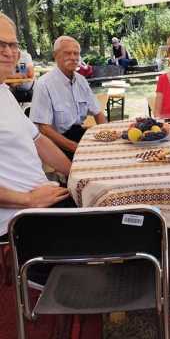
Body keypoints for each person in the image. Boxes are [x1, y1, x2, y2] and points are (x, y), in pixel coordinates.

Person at [0, 13, 74, 240]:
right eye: (0, 44)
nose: (9, 52)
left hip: (45, 199)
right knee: (118, 235)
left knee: (124, 218)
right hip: (16, 225)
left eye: (13, 44)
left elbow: (39, 141)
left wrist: (75, 174)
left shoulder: (5, 92)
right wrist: (29, 200)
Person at [30, 36, 106, 160]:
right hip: (57, 143)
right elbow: (44, 129)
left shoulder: (81, 80)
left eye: (76, 53)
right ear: (55, 55)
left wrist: (105, 134)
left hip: (78, 134)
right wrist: (75, 147)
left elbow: (98, 113)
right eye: (67, 53)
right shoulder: (44, 84)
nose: (73, 57)